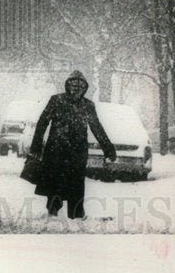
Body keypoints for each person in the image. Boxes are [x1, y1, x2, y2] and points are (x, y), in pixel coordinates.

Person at [28, 70, 116, 219]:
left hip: (77, 152)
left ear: (84, 88)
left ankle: (76, 214)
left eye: (80, 85)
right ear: (67, 85)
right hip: (56, 149)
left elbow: (96, 127)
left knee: (76, 182)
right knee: (54, 179)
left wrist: (108, 148)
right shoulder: (56, 100)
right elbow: (43, 121)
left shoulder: (88, 105)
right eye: (73, 84)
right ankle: (53, 211)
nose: (76, 88)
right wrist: (36, 144)